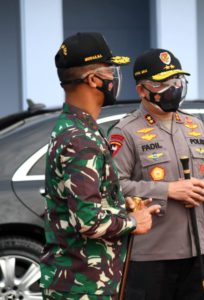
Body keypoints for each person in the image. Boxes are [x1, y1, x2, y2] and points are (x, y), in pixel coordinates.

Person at [40, 32, 161, 299]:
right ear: (94, 79)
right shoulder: (81, 139)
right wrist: (133, 221)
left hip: (82, 280)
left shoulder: (74, 127)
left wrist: (121, 204)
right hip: (83, 285)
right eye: (111, 70)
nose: (114, 79)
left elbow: (85, 199)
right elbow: (87, 221)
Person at [110, 48, 204, 300]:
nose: (174, 88)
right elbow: (115, 186)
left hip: (197, 249)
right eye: (163, 84)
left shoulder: (195, 125)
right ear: (142, 90)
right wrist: (168, 191)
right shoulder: (126, 131)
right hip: (151, 253)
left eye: (177, 81)